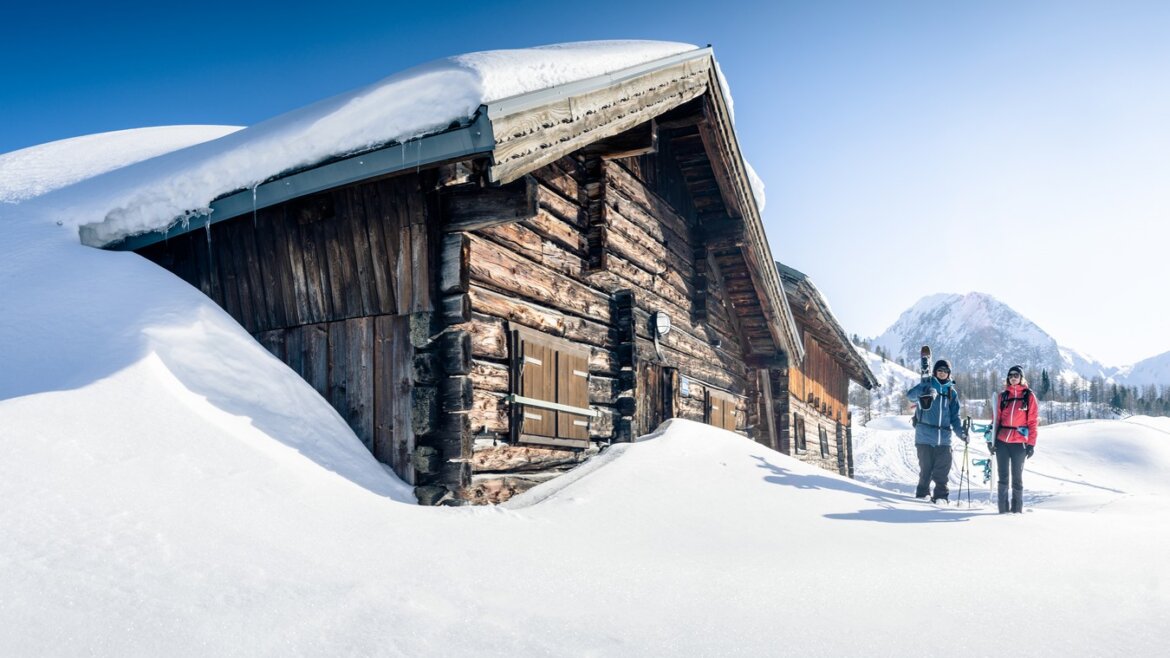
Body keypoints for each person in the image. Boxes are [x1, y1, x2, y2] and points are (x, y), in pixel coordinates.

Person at [906, 359, 968, 502]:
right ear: (934, 372)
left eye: (945, 371)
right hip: (924, 437)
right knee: (926, 471)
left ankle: (941, 497)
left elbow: (955, 417)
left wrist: (962, 434)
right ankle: (922, 495)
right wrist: (924, 388)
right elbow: (910, 396)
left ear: (949, 374)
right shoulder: (927, 385)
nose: (942, 373)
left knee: (942, 472)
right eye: (940, 370)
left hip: (944, 438)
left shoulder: (951, 393)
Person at [990, 365, 1039, 513]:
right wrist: (990, 440)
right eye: (1010, 375)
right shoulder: (1003, 396)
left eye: (1016, 375)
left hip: (1019, 443)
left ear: (1021, 377)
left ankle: (1017, 510)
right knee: (1003, 476)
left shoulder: (1028, 396)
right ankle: (1002, 510)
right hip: (1002, 441)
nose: (1013, 377)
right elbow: (995, 420)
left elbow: (1032, 422)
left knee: (1017, 478)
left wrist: (1031, 444)